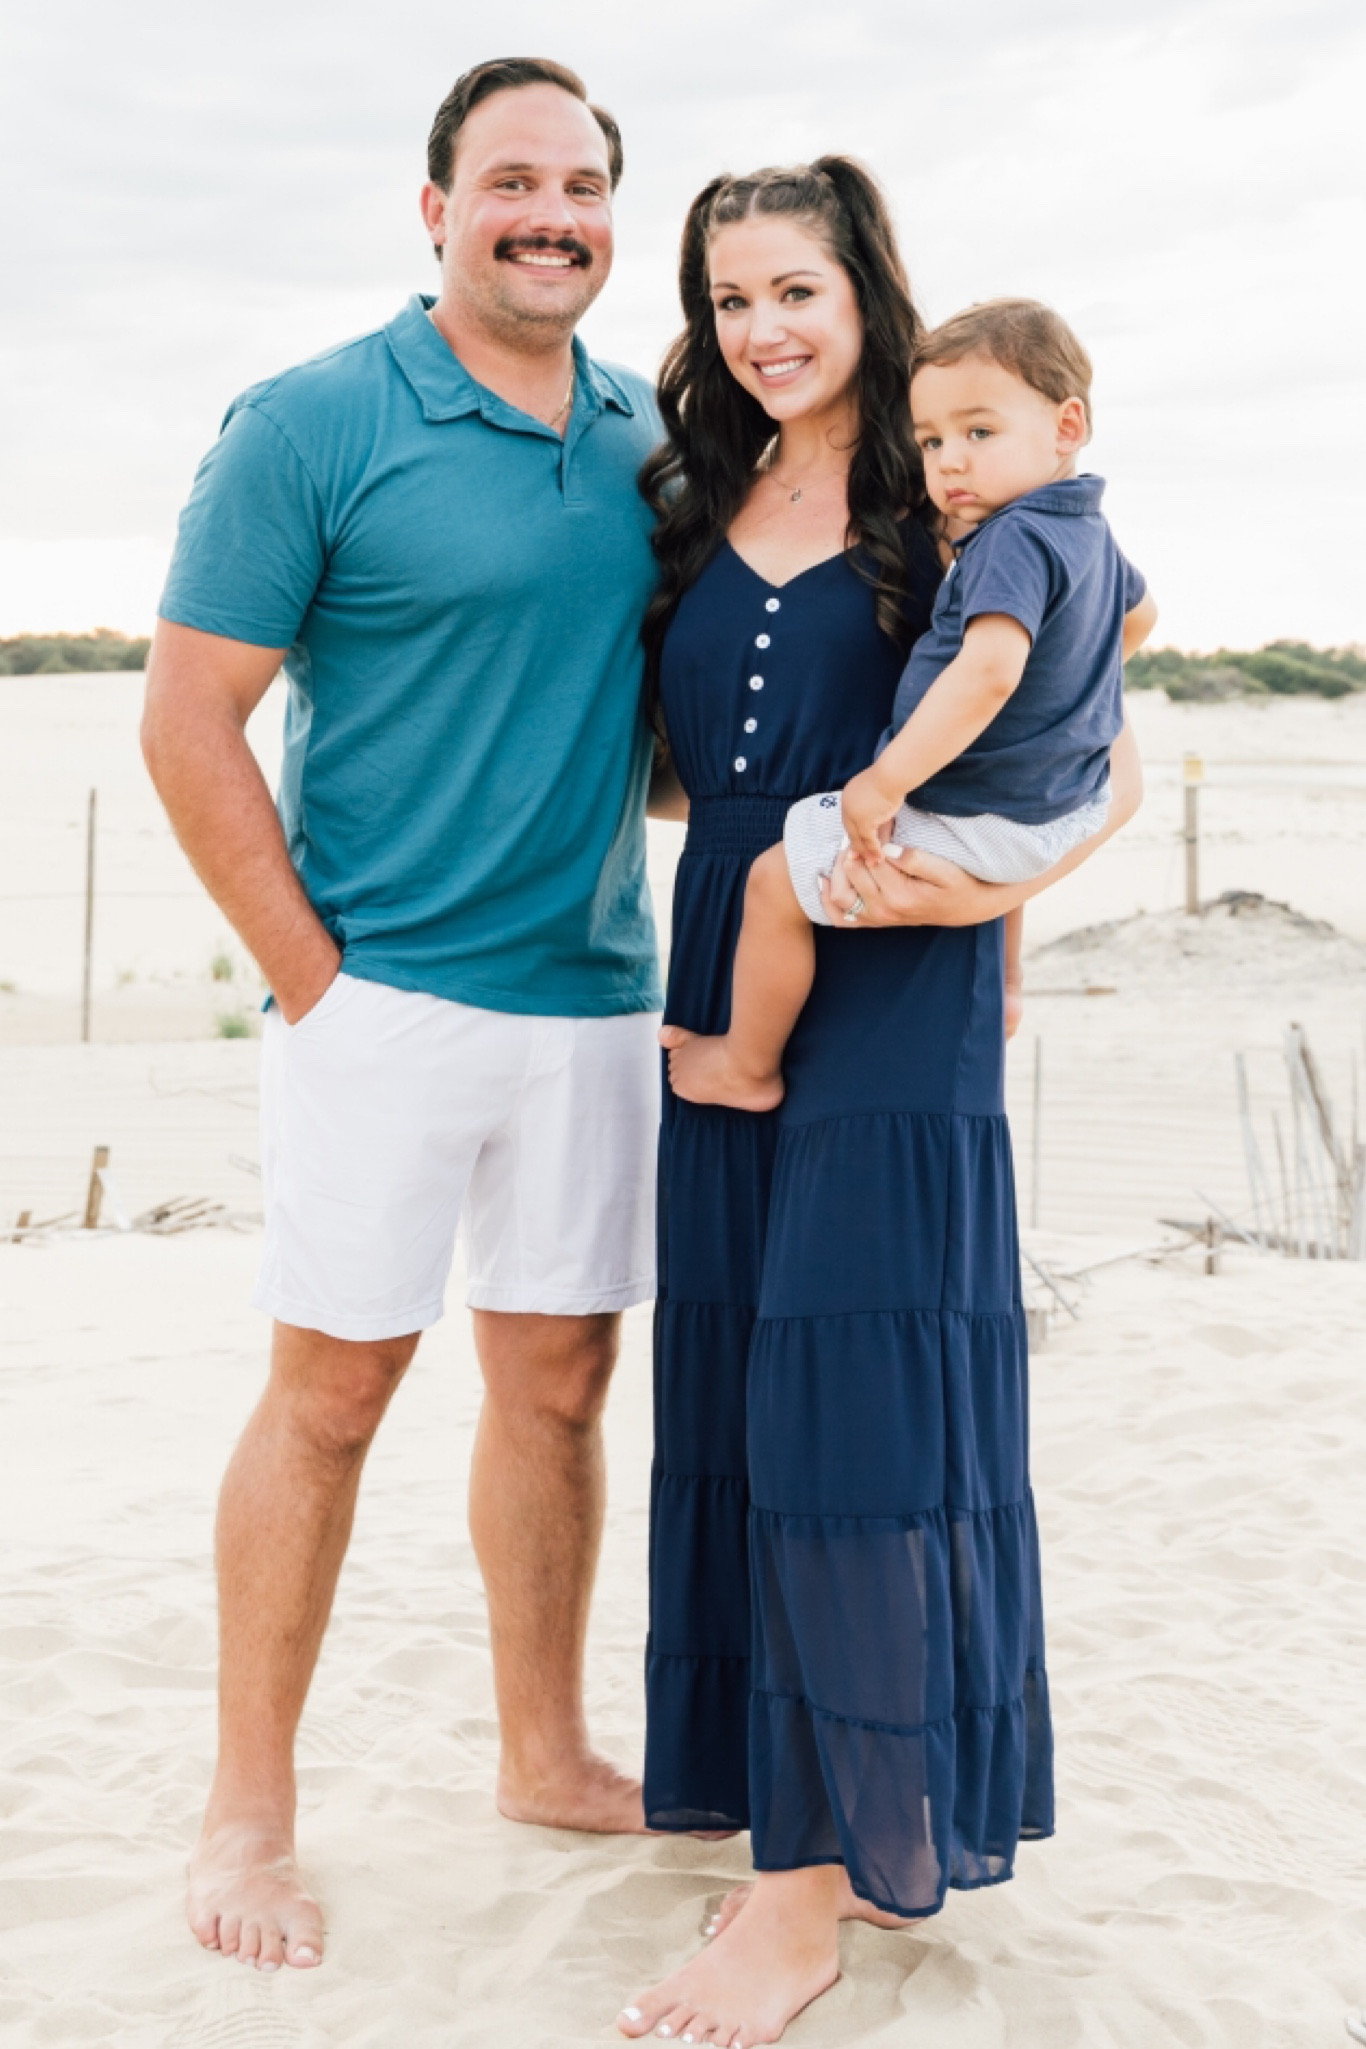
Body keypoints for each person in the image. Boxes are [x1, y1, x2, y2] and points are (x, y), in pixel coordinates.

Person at [142, 56, 667, 1975]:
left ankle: (544, 1749)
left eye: (587, 182)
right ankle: (247, 1805)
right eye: (513, 177)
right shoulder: (309, 422)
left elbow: (662, 740)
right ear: (432, 206)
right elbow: (189, 721)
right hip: (381, 1002)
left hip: (600, 1002)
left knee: (557, 1383)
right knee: (336, 1391)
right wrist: (310, 978)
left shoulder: (651, 437)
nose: (554, 211)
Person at [615, 161, 1144, 2046]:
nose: (764, 324)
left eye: (798, 289)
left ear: (867, 295)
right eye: (729, 291)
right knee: (748, 1389)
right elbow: (687, 770)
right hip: (729, 960)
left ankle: (804, 1893)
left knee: (854, 1412)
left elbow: (1109, 728)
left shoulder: (960, 484)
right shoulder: (684, 496)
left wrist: (1017, 876)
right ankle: (781, 1809)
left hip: (899, 974)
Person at [665, 297, 1157, 1113]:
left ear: (1067, 427)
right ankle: (1005, 981)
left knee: (773, 884)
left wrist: (885, 780)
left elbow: (991, 669)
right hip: (1051, 815)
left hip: (971, 823)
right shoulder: (1087, 532)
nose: (949, 463)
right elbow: (1137, 620)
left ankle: (746, 1063)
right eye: (931, 441)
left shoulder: (1011, 538)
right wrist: (1059, 696)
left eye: (979, 433)